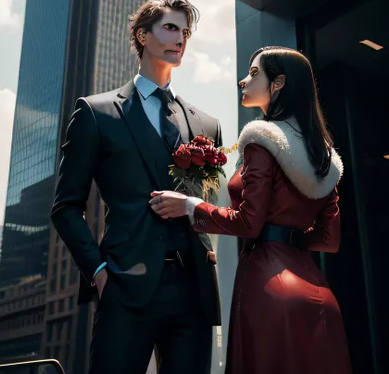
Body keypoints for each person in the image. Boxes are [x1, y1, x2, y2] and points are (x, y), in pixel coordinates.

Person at [151, 46, 352, 374]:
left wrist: (191, 206)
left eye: (255, 73)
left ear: (279, 83)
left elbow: (248, 223)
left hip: (269, 287)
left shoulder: (262, 139)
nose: (243, 81)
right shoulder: (324, 155)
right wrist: (289, 236)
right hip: (319, 294)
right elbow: (329, 240)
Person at [51, 0, 222, 374]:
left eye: (185, 31)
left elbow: (207, 207)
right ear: (143, 36)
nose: (180, 38)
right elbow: (65, 207)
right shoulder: (96, 113)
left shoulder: (206, 125)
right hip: (125, 287)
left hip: (193, 291)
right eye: (171, 28)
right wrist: (99, 273)